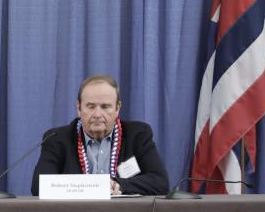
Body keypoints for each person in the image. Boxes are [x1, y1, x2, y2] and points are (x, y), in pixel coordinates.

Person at [31, 74, 169, 196]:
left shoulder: (138, 135)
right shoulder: (56, 138)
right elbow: (39, 186)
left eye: (105, 107)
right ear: (79, 108)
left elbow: (160, 182)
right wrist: (93, 187)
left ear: (117, 108)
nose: (97, 114)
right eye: (90, 106)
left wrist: (119, 185)